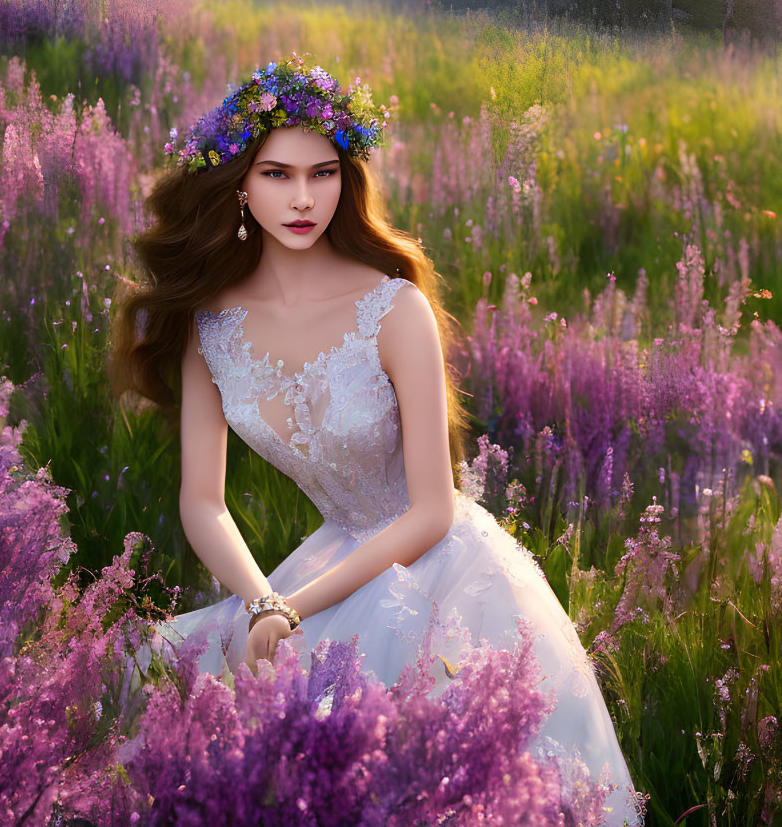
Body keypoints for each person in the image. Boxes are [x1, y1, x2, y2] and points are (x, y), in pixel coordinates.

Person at [111, 55, 642, 824]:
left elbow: (432, 509)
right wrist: (262, 601)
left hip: (446, 576)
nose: (302, 199)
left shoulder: (392, 309)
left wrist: (290, 610)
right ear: (238, 185)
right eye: (277, 175)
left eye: (323, 174)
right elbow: (203, 502)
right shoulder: (210, 323)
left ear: (346, 179)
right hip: (317, 571)